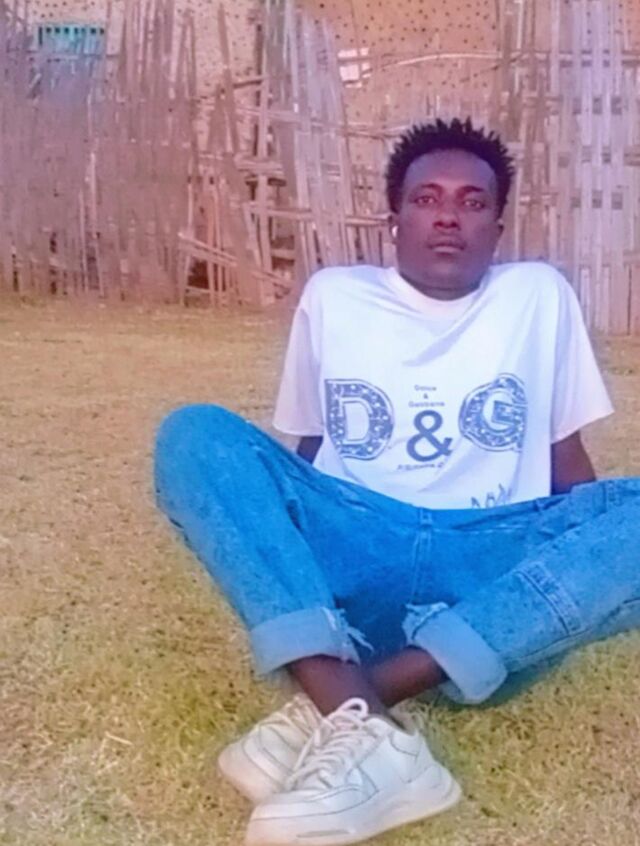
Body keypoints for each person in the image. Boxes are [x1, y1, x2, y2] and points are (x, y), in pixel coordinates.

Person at [154, 118, 640, 846]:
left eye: (473, 202)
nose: (448, 216)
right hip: (359, 561)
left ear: (498, 226)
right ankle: (372, 725)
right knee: (194, 434)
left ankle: (338, 706)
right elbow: (308, 455)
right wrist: (289, 562)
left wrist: (579, 575)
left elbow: (565, 456)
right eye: (426, 198)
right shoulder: (335, 297)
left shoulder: (539, 296)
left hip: (487, 577)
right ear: (394, 219)